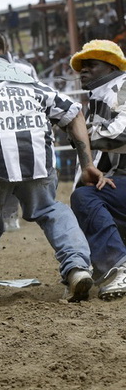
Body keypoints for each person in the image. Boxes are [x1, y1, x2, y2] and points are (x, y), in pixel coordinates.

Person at [0, 26, 111, 306]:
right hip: (37, 158)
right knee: (51, 210)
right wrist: (86, 163)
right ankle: (76, 269)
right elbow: (73, 112)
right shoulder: (29, 78)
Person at [67, 40, 126, 300]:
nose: (83, 70)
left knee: (85, 197)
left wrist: (79, 132)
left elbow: (121, 134)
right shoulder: (99, 97)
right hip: (120, 184)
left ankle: (118, 268)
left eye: (91, 64)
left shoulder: (123, 86)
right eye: (81, 66)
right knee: (86, 194)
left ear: (111, 65)